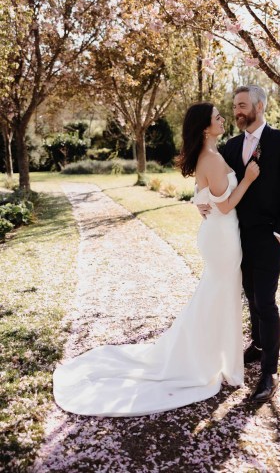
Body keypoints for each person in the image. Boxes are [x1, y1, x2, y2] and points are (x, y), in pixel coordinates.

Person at [53, 102, 259, 416]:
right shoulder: (213, 159)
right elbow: (227, 205)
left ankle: (215, 357)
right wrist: (249, 178)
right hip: (222, 238)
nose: (222, 119)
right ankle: (208, 360)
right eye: (217, 117)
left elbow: (203, 194)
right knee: (220, 296)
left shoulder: (211, 157)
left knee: (215, 296)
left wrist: (197, 200)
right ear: (206, 127)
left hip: (218, 235)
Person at [197, 85, 280, 403]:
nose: (237, 111)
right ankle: (257, 346)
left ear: (260, 106)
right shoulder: (230, 146)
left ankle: (269, 372)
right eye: (234, 106)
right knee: (250, 297)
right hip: (235, 238)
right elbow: (212, 180)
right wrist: (198, 198)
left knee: (266, 301)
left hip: (269, 237)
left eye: (242, 104)